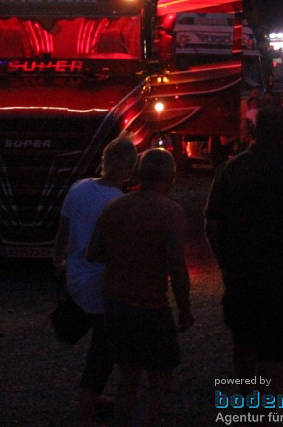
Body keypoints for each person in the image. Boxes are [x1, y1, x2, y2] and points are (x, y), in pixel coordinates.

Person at [205, 104, 283, 394]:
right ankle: (264, 416)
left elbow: (212, 224)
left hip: (243, 274)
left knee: (244, 343)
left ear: (253, 131)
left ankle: (247, 403)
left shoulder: (231, 170)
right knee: (274, 353)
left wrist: (225, 264)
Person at [86, 148, 192, 426]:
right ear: (171, 176)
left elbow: (93, 253)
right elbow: (178, 268)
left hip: (115, 305)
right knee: (160, 379)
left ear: (139, 174)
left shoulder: (115, 207)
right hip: (150, 307)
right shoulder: (171, 213)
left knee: (128, 376)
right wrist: (185, 309)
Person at [53, 136, 138, 426]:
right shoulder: (120, 203)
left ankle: (93, 397)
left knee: (98, 344)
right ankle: (85, 412)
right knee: (104, 352)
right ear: (128, 168)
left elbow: (62, 233)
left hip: (76, 280)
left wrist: (59, 263)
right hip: (101, 287)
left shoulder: (79, 188)